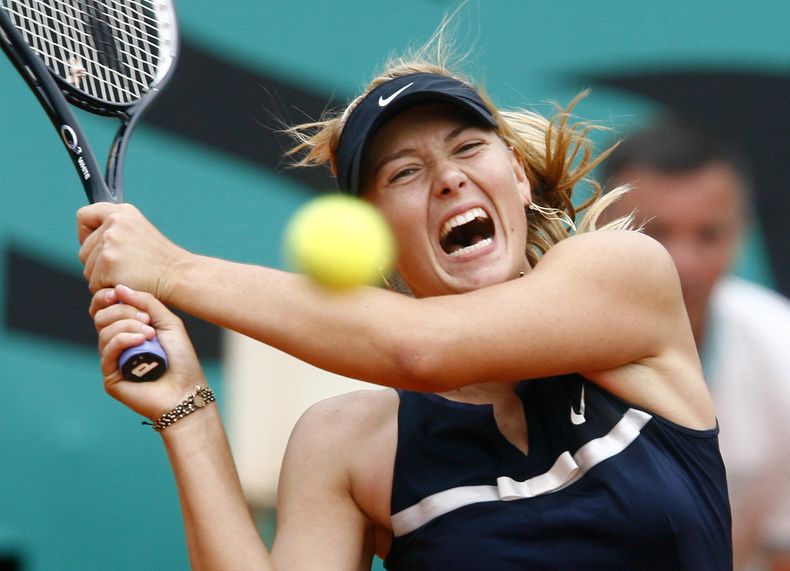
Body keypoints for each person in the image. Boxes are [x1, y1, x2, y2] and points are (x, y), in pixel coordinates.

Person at [77, 33, 732, 570]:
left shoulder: (625, 274)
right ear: (377, 238)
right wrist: (187, 415)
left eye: (468, 146)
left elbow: (420, 348)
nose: (449, 178)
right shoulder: (348, 444)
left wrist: (173, 270)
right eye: (404, 172)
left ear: (518, 175)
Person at [600, 118, 790, 571]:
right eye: (655, 232)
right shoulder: (530, 361)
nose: (682, 264)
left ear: (742, 234)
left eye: (709, 234)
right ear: (595, 228)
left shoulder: (782, 347)